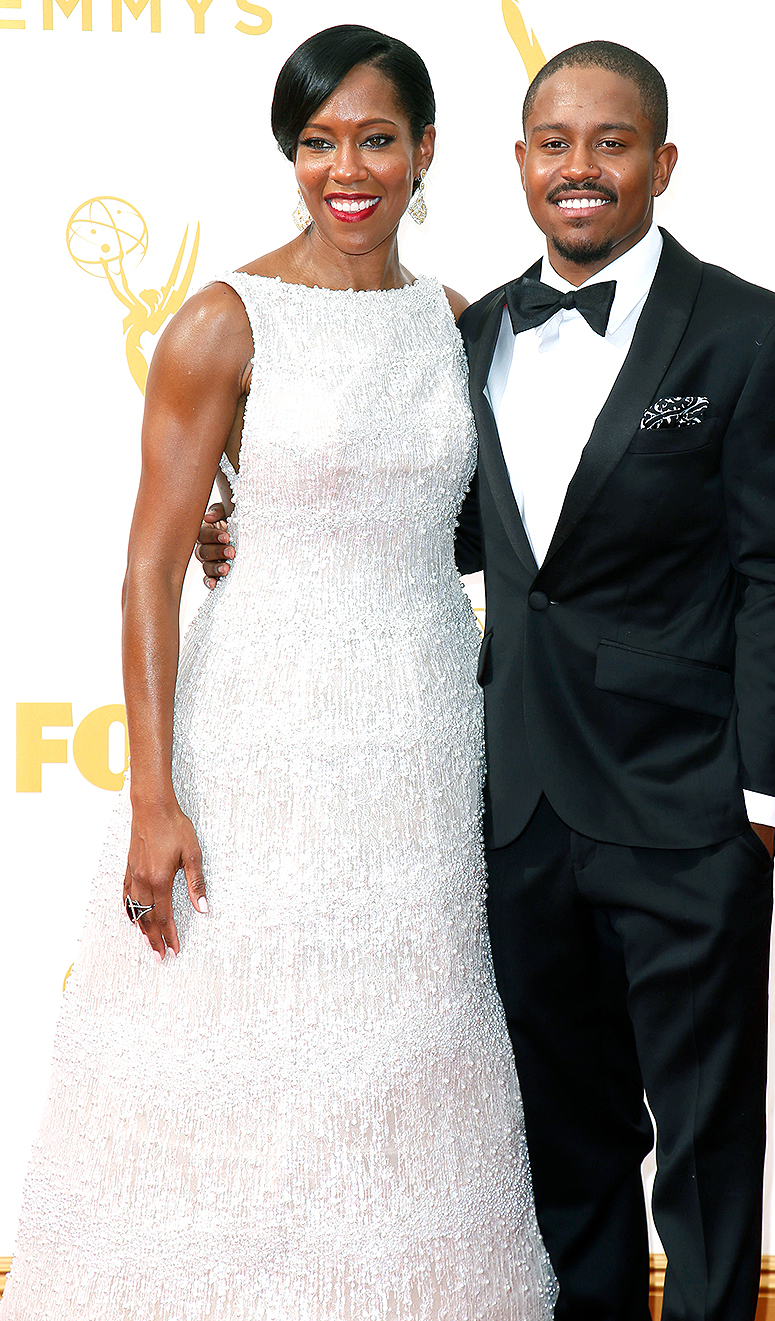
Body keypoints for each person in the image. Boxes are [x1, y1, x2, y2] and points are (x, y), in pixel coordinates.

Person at [205, 39, 775, 1321]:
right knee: (568, 1146)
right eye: (555, 144)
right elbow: (448, 525)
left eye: (612, 144)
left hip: (687, 805)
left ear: (662, 163)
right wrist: (261, 527)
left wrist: (761, 794)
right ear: (514, 164)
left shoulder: (754, 335)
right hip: (516, 805)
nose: (581, 169)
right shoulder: (472, 326)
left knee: (708, 1151)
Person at [1, 25, 557, 1321]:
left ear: (426, 152)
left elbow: (495, 534)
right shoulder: (221, 320)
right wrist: (152, 796)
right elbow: (147, 569)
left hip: (421, 728)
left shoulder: (456, 322)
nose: (345, 169)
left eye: (375, 138)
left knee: (407, 1031)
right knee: (238, 1030)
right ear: (289, 153)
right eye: (317, 141)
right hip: (256, 732)